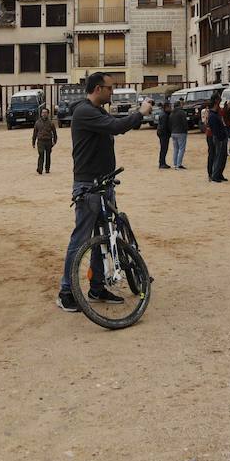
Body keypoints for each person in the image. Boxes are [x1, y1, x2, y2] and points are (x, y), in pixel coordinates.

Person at [58, 73, 151, 312]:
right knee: (81, 240)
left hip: (104, 184)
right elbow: (116, 126)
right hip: (89, 186)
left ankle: (97, 287)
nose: (112, 92)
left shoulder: (98, 111)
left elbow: (116, 121)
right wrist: (139, 113)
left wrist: (135, 117)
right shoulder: (84, 112)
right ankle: (66, 291)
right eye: (110, 88)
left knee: (104, 238)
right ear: (98, 89)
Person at [207, 97, 230, 182]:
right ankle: (215, 175)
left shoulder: (214, 114)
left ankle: (219, 174)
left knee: (222, 157)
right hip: (219, 138)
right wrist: (221, 137)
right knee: (219, 157)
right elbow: (215, 129)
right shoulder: (212, 115)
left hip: (221, 137)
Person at [32, 107, 58, 175]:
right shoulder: (37, 123)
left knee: (48, 155)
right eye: (43, 112)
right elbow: (35, 133)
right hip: (40, 141)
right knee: (41, 154)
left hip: (48, 141)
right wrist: (33, 142)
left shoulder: (51, 123)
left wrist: (54, 141)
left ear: (48, 114)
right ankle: (40, 169)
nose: (44, 114)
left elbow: (54, 133)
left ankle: (47, 169)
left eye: (45, 113)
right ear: (41, 114)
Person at [168, 100, 188, 170]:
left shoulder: (172, 113)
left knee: (175, 149)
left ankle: (175, 164)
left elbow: (170, 123)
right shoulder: (182, 112)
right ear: (179, 105)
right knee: (181, 149)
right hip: (181, 132)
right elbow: (184, 122)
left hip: (173, 132)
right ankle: (179, 165)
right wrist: (186, 130)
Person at [155, 101, 171, 170]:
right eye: (169, 107)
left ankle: (162, 162)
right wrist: (168, 133)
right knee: (164, 149)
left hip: (161, 133)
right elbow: (164, 126)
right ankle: (162, 163)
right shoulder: (164, 115)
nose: (170, 108)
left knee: (163, 148)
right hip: (163, 134)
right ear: (166, 107)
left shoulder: (164, 113)